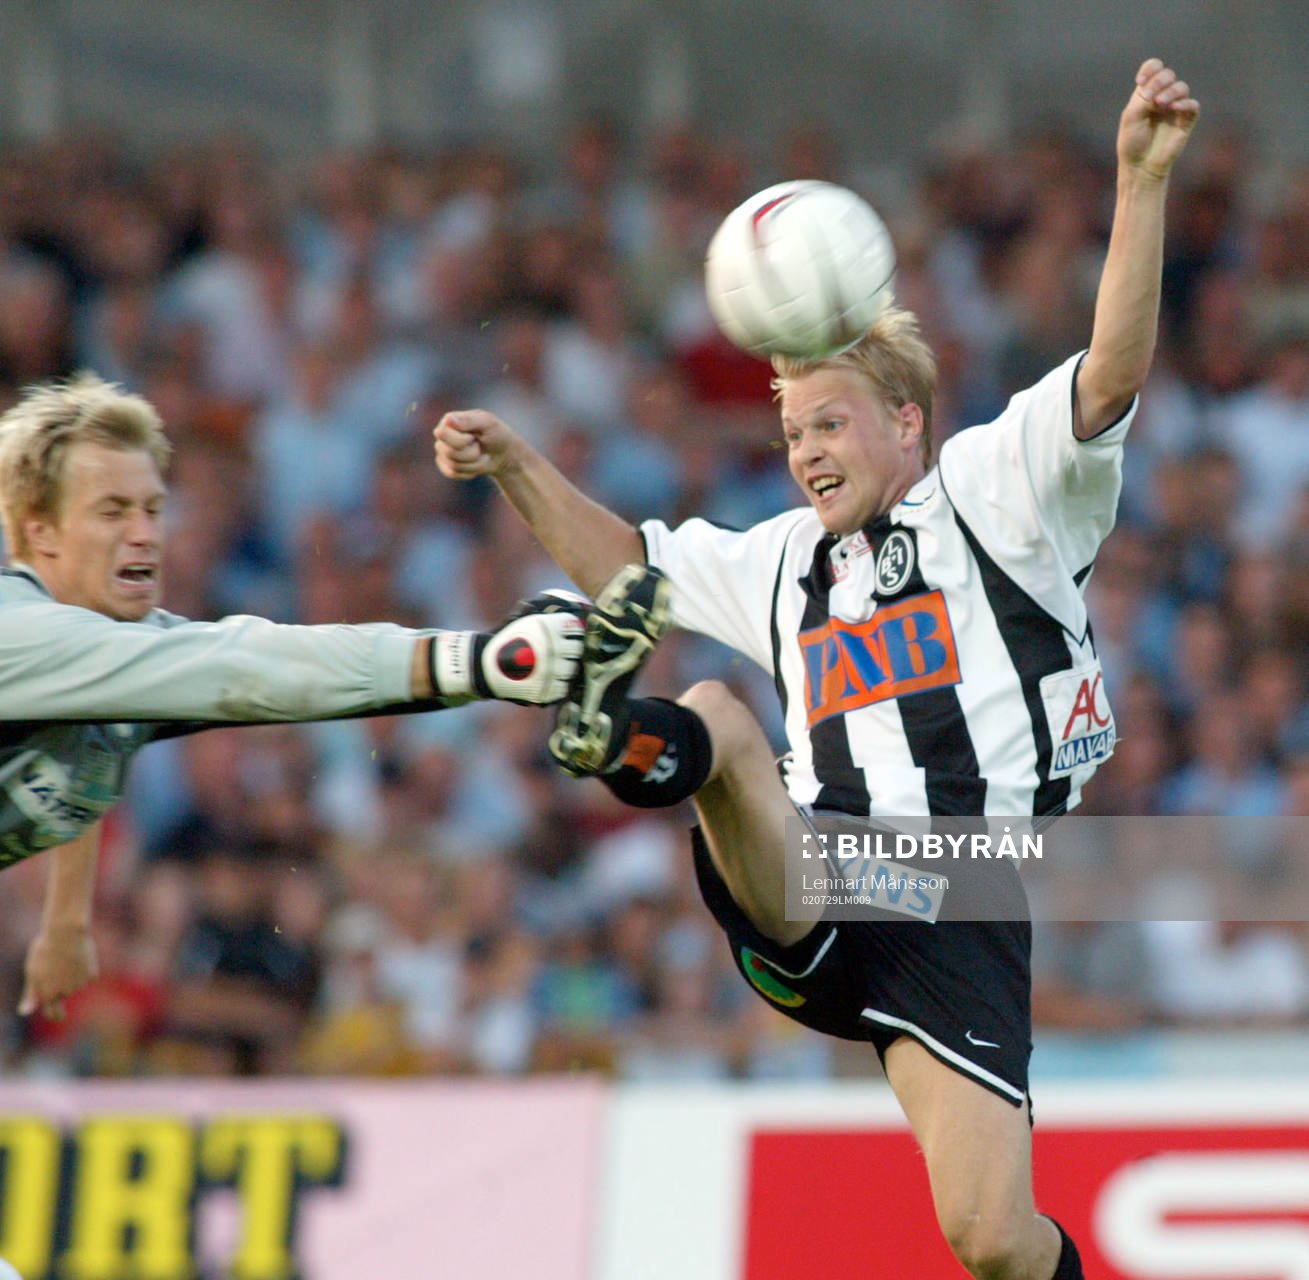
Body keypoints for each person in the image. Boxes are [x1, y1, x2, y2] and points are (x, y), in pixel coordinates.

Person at [435, 59, 1199, 1280]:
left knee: (994, 1237)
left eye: (828, 424)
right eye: (791, 433)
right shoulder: (785, 559)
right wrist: (520, 465)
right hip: (821, 870)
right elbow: (631, 562)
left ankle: (635, 740)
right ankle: (617, 741)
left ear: (907, 420)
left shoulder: (1001, 490)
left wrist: (1138, 180)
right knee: (720, 716)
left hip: (964, 902)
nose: (804, 453)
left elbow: (1108, 371)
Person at [0, 372, 585, 1022]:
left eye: (152, 508)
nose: (144, 534)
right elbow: (249, 665)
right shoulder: (23, 635)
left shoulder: (104, 653)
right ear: (42, 533)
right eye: (112, 511)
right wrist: (477, 661)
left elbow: (96, 728)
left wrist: (65, 921)